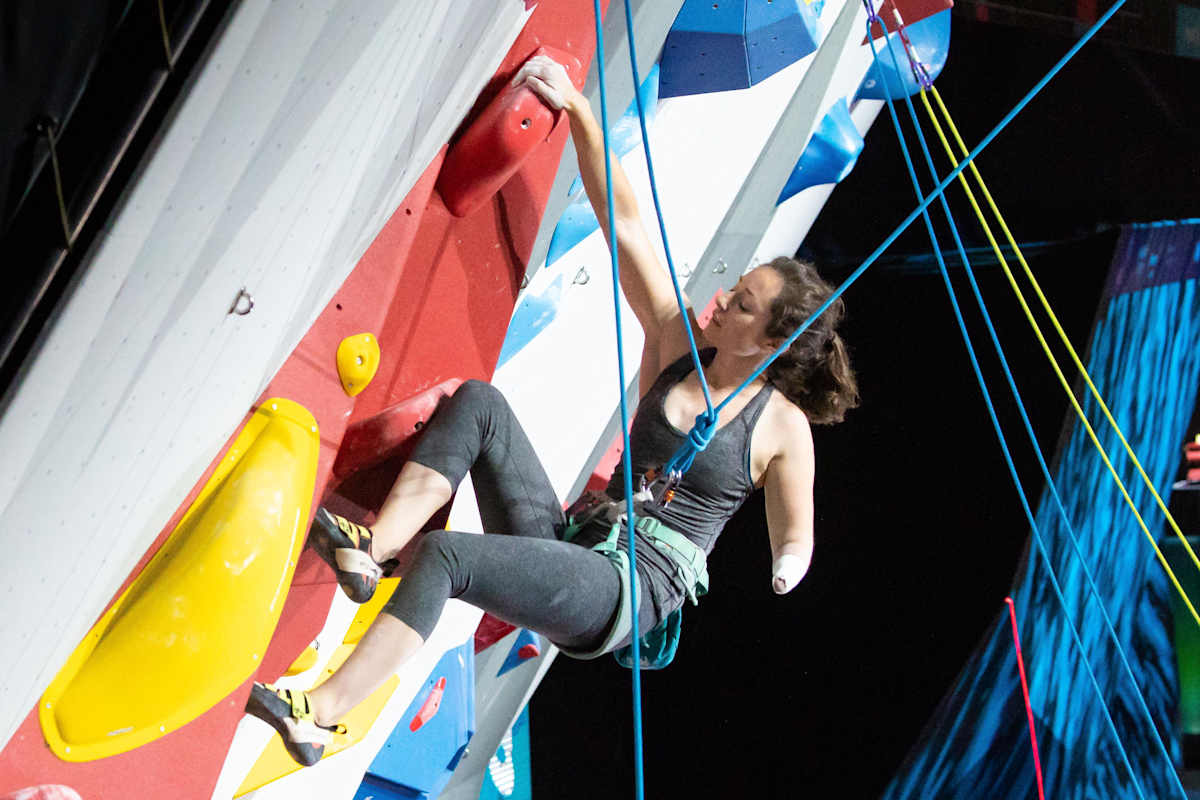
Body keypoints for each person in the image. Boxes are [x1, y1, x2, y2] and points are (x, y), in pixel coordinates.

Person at [244, 54, 859, 767]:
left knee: (448, 556)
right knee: (479, 405)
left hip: (629, 586)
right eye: (735, 287)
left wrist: (789, 563)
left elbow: (795, 530)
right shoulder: (676, 343)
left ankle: (319, 717)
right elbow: (626, 224)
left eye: (742, 304)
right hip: (578, 538)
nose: (721, 300)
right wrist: (581, 113)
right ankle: (373, 548)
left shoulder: (780, 424)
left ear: (773, 341)